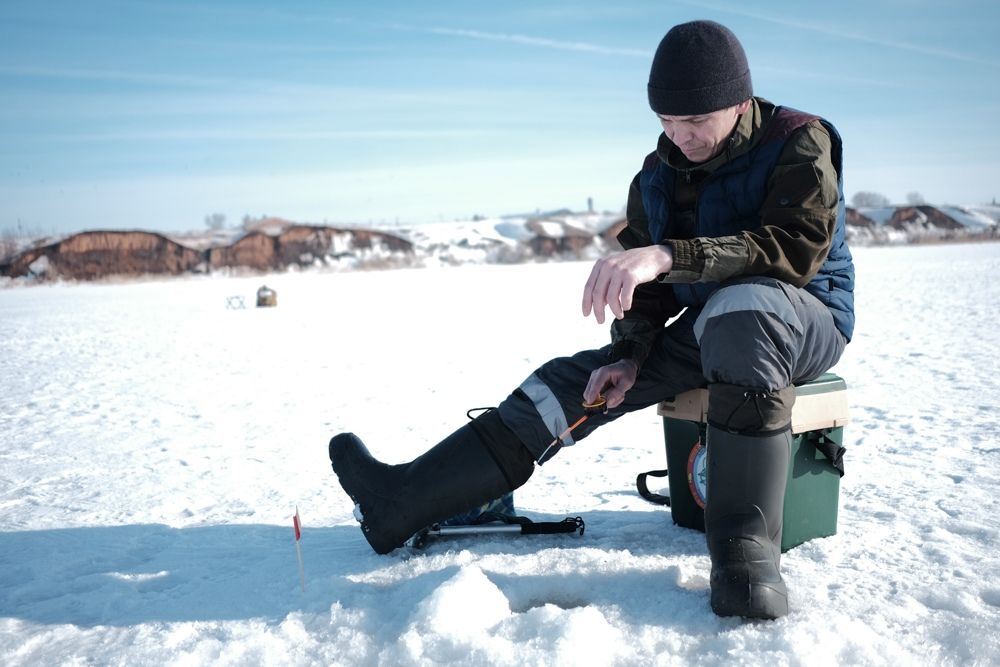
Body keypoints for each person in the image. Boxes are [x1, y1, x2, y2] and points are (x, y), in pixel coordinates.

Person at [328, 19, 854, 620]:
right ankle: (401, 502)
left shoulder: (797, 141)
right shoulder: (658, 174)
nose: (680, 137)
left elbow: (795, 249)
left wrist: (667, 255)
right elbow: (652, 297)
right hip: (715, 325)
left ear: (739, 102)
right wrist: (629, 354)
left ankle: (744, 561)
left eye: (696, 123)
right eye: (666, 123)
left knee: (745, 308)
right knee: (569, 384)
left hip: (802, 315)